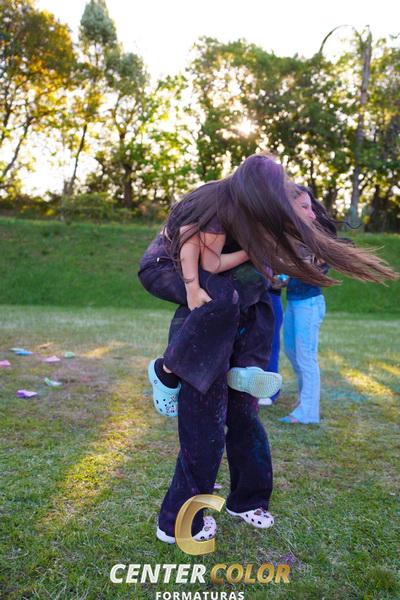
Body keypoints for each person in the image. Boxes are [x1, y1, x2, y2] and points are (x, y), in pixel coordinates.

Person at [137, 153, 397, 544]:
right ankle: (169, 374)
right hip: (178, 273)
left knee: (245, 412)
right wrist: (193, 286)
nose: (306, 213)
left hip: (226, 300)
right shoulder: (216, 202)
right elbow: (196, 254)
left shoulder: (260, 217)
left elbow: (273, 265)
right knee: (206, 422)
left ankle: (247, 496)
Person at [279, 186, 336, 424]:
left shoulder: (314, 235)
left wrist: (288, 270)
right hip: (294, 302)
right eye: (304, 207)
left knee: (306, 356)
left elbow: (313, 267)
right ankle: (305, 400)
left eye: (309, 207)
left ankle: (308, 412)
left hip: (309, 303)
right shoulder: (290, 234)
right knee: (291, 351)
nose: (311, 213)